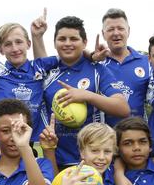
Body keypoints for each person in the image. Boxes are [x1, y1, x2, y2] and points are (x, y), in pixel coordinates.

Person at [37, 15, 129, 173]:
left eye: (73, 38)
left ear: (84, 42)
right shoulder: (47, 71)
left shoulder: (97, 69)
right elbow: (39, 59)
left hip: (92, 161)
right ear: (54, 43)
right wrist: (36, 36)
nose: (67, 43)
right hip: (55, 158)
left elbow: (123, 108)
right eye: (62, 39)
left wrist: (87, 96)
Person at [0, 18, 58, 143]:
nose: (14, 49)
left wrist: (91, 55)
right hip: (4, 145)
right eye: (8, 44)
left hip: (37, 143)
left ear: (28, 44)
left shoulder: (39, 67)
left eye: (19, 42)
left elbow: (71, 56)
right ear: (1, 50)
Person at [92, 8, 151, 126]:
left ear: (128, 31)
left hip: (137, 137)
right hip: (105, 138)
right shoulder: (95, 65)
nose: (116, 33)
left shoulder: (146, 62)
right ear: (103, 34)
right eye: (110, 29)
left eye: (120, 28)